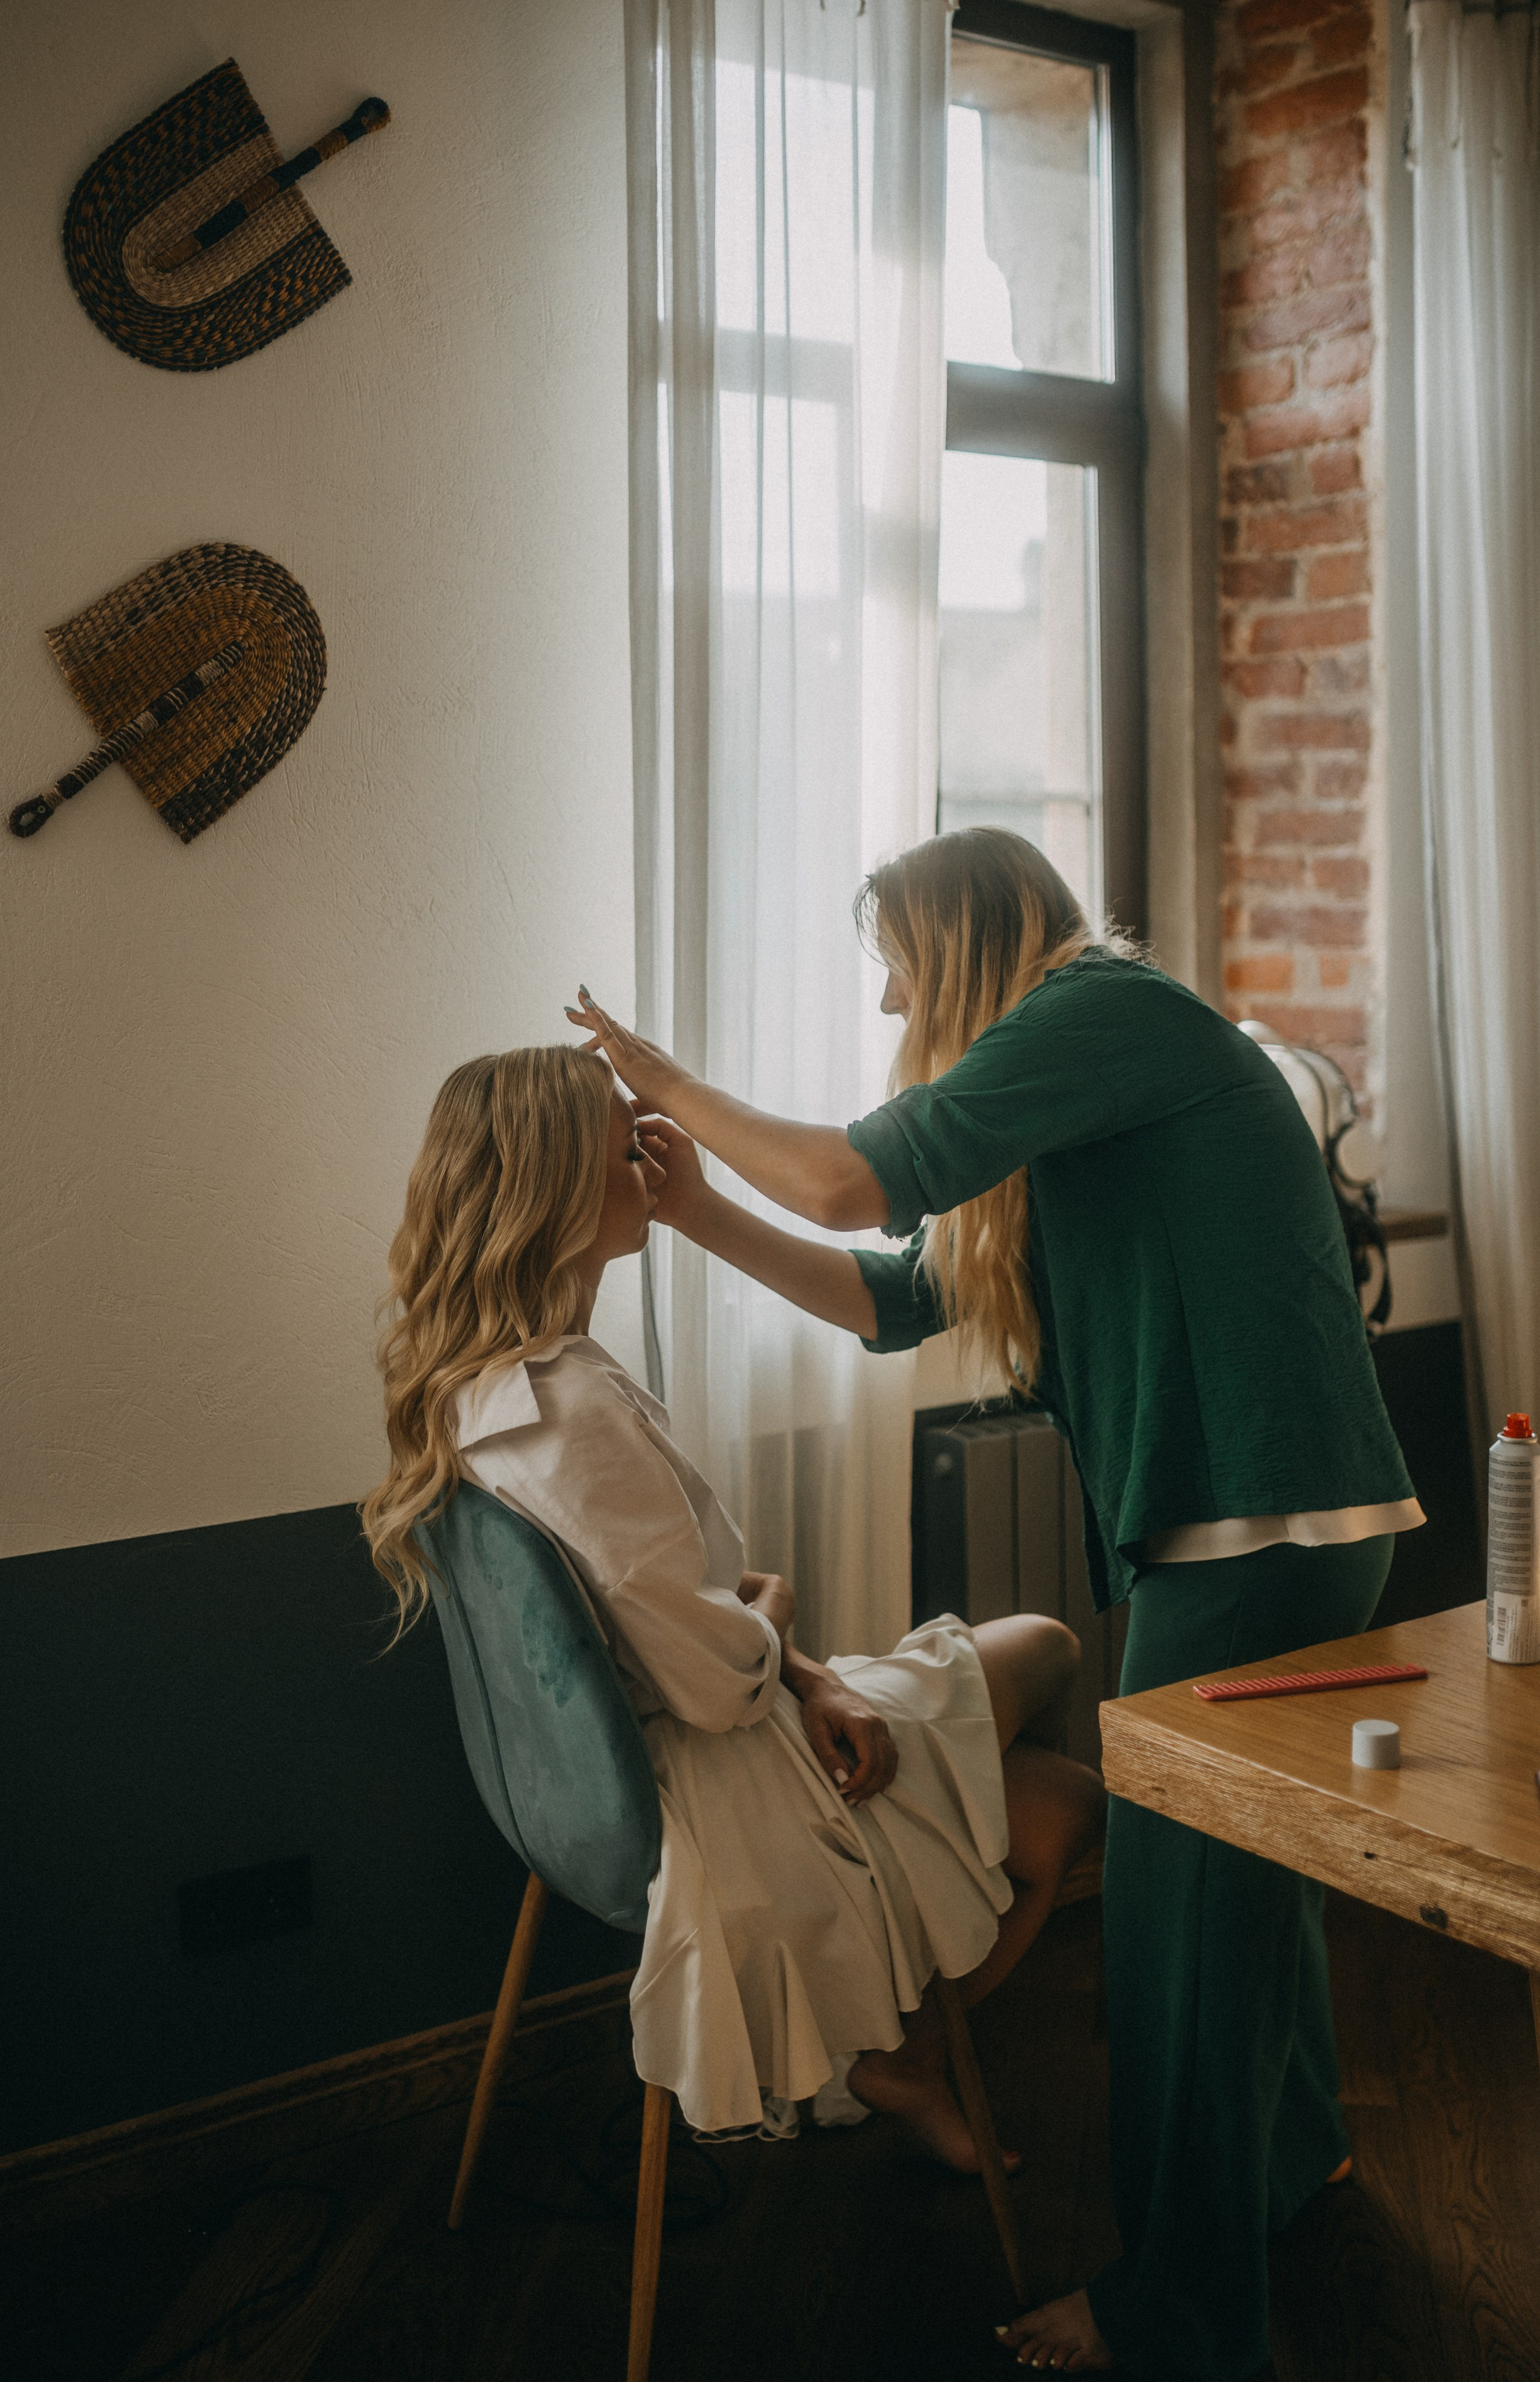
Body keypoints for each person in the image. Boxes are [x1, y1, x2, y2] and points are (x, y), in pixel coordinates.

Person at [566, 826, 1424, 2380]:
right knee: (1252, 1895)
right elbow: (888, 1293)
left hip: (1260, 1531)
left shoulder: (1106, 1010)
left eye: (897, 977)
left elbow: (846, 1175)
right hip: (1262, 1531)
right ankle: (1294, 2165)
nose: (893, 1012)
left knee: (1173, 1938)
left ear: (960, 948)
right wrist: (694, 1210)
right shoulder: (1071, 1095)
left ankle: (1180, 2316)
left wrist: (670, 1080)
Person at [360, 1043, 1104, 2162]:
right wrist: (780, 1610)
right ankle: (910, 2032)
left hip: (687, 1741)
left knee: (1044, 1738)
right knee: (1054, 1701)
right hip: (730, 1780)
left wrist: (790, 1657)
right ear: (561, 1186)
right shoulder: (567, 1418)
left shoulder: (474, 1391)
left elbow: (680, 1628)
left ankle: (912, 1997)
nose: (653, 1164)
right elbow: (715, 1684)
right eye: (628, 1147)